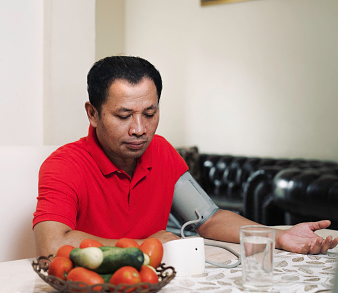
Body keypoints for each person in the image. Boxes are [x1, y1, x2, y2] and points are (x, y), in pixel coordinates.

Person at [32, 55, 337, 257]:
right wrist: (146, 245)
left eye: (149, 113)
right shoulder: (64, 165)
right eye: (124, 115)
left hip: (156, 287)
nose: (140, 129)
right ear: (93, 113)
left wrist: (276, 235)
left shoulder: (161, 151)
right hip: (91, 292)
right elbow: (52, 243)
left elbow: (209, 219)